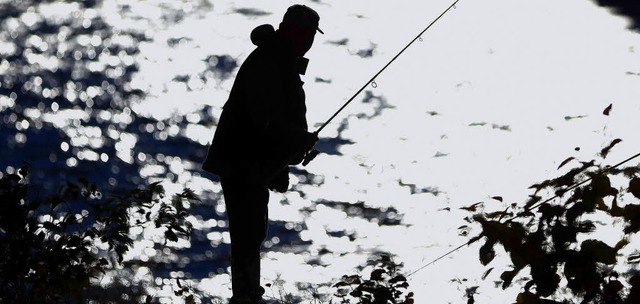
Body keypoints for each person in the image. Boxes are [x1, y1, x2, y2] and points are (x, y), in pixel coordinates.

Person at [201, 4, 322, 303]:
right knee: (247, 235)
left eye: (311, 35)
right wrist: (298, 140)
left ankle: (247, 293)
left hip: (250, 163)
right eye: (303, 33)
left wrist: (282, 164)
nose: (308, 40)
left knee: (251, 233)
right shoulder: (269, 62)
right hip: (241, 164)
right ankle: (245, 296)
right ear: (288, 29)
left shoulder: (279, 59)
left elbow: (270, 124)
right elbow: (264, 121)